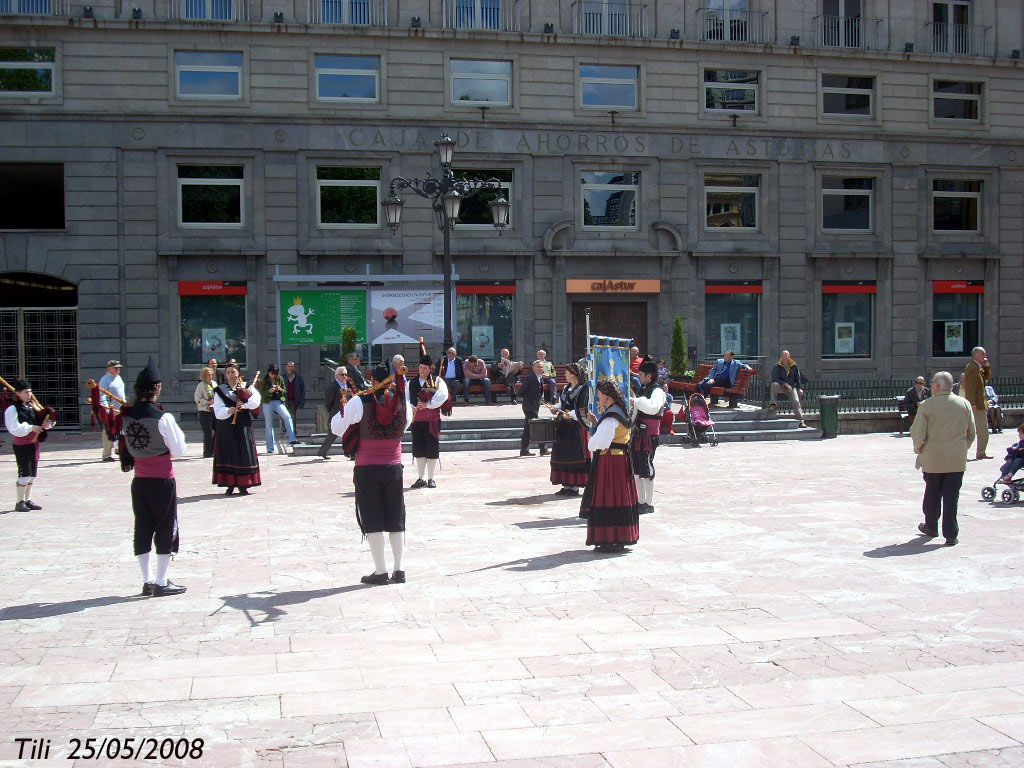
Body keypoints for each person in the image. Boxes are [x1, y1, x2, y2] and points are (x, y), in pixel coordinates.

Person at [330, 357, 412, 585]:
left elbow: (337, 428)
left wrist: (345, 406)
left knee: (372, 516)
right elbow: (405, 426)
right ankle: (399, 569)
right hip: (394, 467)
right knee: (395, 516)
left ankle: (381, 571)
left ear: (373, 380)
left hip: (367, 468)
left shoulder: (360, 401)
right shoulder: (403, 403)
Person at [118, 359, 187, 597]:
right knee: (165, 525)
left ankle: (147, 580)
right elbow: (179, 450)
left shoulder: (126, 416)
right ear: (156, 388)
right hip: (162, 479)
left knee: (143, 525)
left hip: (139, 480)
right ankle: (161, 581)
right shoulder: (163, 418)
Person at [910, 371, 976, 547]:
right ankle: (951, 534)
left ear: (937, 386)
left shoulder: (927, 405)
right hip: (956, 460)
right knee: (951, 498)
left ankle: (931, 526)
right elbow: (971, 433)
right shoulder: (964, 404)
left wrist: (919, 449)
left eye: (932, 383)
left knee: (932, 494)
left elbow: (918, 434)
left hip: (933, 459)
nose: (930, 386)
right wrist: (961, 449)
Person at [580, 379, 639, 553]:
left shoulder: (611, 416)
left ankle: (611, 538)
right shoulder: (618, 411)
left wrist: (591, 439)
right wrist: (597, 424)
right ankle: (618, 537)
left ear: (606, 395)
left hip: (611, 463)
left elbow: (601, 442)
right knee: (618, 496)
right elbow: (611, 434)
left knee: (610, 497)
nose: (598, 396)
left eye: (599, 393)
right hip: (619, 460)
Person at [212, 363, 262, 495]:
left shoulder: (246, 387)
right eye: (228, 372)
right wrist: (229, 410)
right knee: (229, 453)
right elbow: (217, 410)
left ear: (238, 373)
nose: (231, 375)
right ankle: (230, 484)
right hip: (227, 426)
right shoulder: (220, 390)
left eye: (233, 372)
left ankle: (243, 485)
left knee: (243, 452)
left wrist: (245, 405)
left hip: (243, 424)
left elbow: (256, 400)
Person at [5, 379, 55, 512]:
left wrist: (47, 424)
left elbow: (43, 418)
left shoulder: (32, 406)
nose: (29, 394)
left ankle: (28, 500)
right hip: (22, 445)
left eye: (30, 392)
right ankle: (19, 502)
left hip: (34, 443)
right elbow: (13, 428)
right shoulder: (12, 409)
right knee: (24, 473)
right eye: (26, 392)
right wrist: (31, 428)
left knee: (32, 474)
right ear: (17, 393)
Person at [547, 362, 590, 496]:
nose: (565, 374)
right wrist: (556, 408)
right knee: (563, 455)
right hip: (563, 427)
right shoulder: (566, 388)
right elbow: (562, 404)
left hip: (575, 426)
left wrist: (570, 414)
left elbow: (584, 408)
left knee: (574, 455)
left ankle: (574, 486)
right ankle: (566, 485)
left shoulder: (583, 389)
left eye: (567, 372)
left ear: (573, 374)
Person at [632, 360, 667, 515]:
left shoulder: (657, 391)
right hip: (638, 433)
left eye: (640, 374)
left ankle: (648, 503)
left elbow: (653, 408)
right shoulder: (644, 389)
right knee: (638, 468)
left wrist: (636, 401)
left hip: (649, 435)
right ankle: (640, 501)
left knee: (647, 467)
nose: (638, 376)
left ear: (648, 375)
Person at [409, 354, 448, 489]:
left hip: (432, 421)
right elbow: (406, 398)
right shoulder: (411, 383)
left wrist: (428, 405)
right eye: (420, 367)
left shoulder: (437, 381)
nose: (422, 370)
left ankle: (431, 478)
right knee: (418, 448)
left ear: (431, 369)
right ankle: (421, 478)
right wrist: (412, 407)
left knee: (431, 448)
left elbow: (443, 396)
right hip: (417, 420)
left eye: (425, 368)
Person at [260, 364, 297, 454]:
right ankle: (270, 447)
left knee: (287, 416)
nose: (273, 376)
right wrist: (270, 391)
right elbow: (262, 394)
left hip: (278, 401)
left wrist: (280, 389)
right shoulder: (264, 381)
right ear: (269, 372)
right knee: (269, 424)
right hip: (267, 402)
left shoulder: (279, 378)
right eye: (272, 374)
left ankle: (292, 439)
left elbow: (285, 390)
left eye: (275, 374)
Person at [963, 346, 992, 459]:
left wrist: (986, 366)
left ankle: (981, 452)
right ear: (975, 355)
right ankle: (980, 452)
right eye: (982, 354)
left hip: (980, 404)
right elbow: (970, 387)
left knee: (980, 430)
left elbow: (986, 379)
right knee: (981, 430)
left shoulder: (978, 367)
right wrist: (972, 404)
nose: (985, 356)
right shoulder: (972, 367)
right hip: (977, 405)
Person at [519, 360, 550, 457]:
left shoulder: (539, 378)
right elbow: (521, 391)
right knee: (538, 426)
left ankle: (524, 450)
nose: (540, 368)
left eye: (541, 367)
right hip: (530, 407)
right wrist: (527, 399)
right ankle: (543, 449)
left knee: (528, 429)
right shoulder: (530, 377)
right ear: (533, 368)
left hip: (534, 406)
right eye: (538, 367)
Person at [768, 350, 806, 427]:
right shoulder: (777, 366)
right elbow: (775, 378)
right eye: (783, 355)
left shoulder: (794, 366)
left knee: (796, 402)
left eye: (786, 355)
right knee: (773, 384)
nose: (785, 357)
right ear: (781, 357)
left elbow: (798, 378)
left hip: (792, 387)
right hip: (781, 385)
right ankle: (773, 404)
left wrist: (799, 388)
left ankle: (801, 421)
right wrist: (785, 384)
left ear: (789, 356)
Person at [318, 367, 350, 460]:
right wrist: (332, 412)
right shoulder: (333, 386)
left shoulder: (347, 385)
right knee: (333, 433)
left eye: (346, 374)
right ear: (336, 376)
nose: (344, 376)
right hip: (336, 413)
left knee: (349, 432)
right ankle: (323, 451)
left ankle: (351, 453)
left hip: (346, 413)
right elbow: (328, 402)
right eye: (342, 374)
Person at [98, 360, 125, 462]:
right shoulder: (105, 380)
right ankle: (106, 455)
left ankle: (119, 450)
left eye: (119, 368)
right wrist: (107, 410)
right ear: (109, 368)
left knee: (121, 430)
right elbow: (102, 396)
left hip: (120, 409)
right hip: (110, 411)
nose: (118, 370)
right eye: (115, 368)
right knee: (108, 432)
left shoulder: (118, 378)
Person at [193, 366, 216, 458]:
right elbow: (197, 398)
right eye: (208, 375)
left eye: (211, 374)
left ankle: (214, 449)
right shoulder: (201, 385)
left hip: (214, 411)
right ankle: (207, 452)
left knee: (218, 429)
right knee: (208, 432)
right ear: (204, 376)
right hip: (204, 411)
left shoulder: (214, 384)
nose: (210, 376)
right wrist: (207, 402)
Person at [284, 360, 305, 430]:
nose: (290, 368)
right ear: (286, 367)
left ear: (294, 368)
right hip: (284, 401)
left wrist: (301, 401)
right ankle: (284, 430)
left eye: (292, 366)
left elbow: (302, 391)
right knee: (284, 416)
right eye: (289, 366)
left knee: (292, 416)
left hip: (293, 401)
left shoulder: (299, 378)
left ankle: (293, 431)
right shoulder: (282, 378)